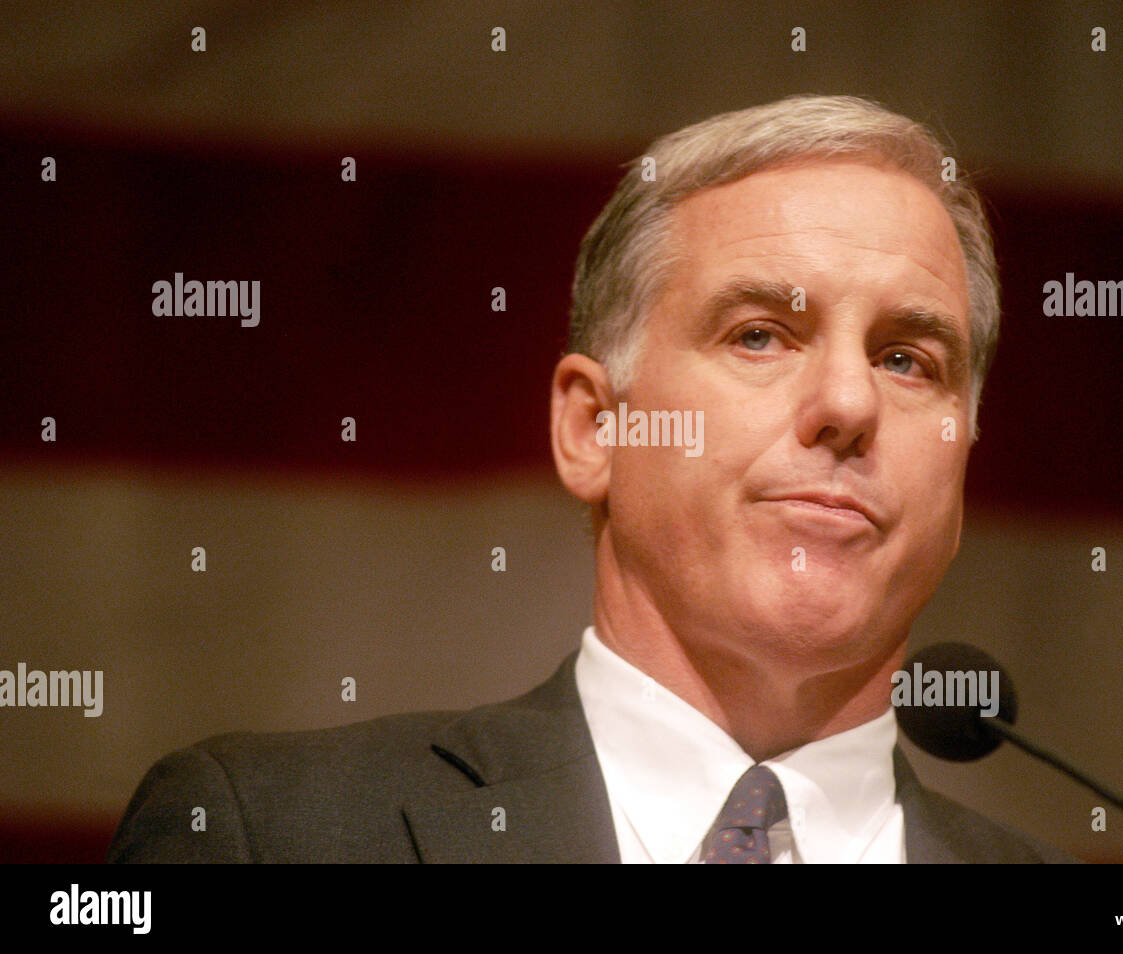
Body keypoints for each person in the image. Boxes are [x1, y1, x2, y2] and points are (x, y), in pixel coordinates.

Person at [109, 94, 1074, 863]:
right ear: (593, 428)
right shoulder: (265, 835)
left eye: (908, 359)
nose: (850, 403)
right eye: (760, 336)